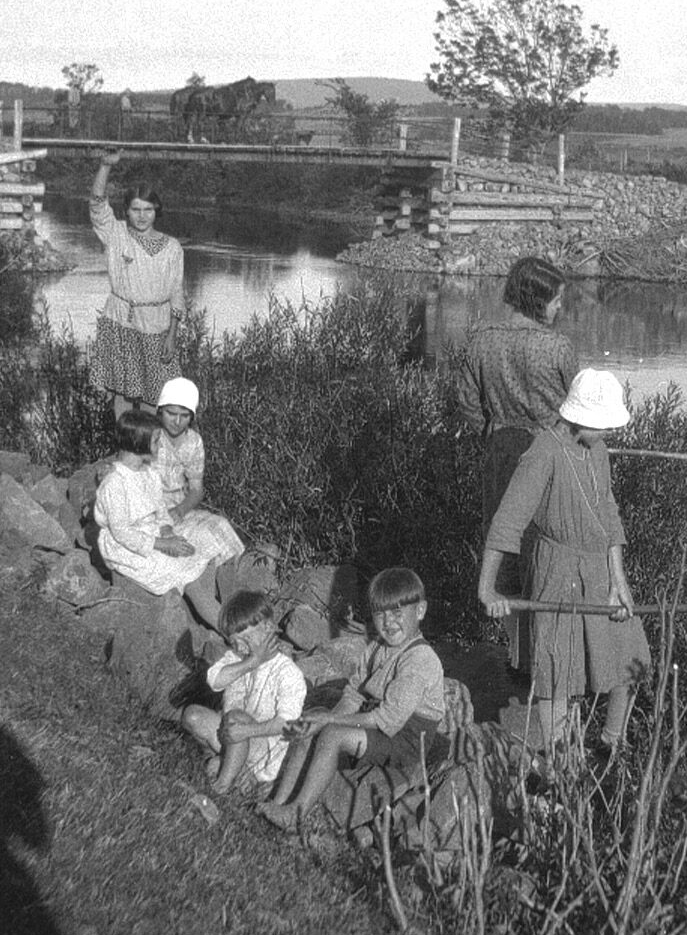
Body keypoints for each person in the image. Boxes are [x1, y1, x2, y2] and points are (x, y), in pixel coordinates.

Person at [478, 368, 650, 759]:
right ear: (580, 417)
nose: (608, 432)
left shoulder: (598, 450)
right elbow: (507, 522)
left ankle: (612, 744)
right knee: (557, 670)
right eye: (602, 424)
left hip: (599, 570)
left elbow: (608, 512)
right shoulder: (542, 454)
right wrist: (487, 590)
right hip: (557, 571)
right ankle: (561, 760)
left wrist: (617, 580)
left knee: (631, 654)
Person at [456, 256, 579, 676]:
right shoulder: (558, 347)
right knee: (549, 552)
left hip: (501, 452)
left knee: (505, 547)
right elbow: (577, 411)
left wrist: (493, 432)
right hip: (550, 456)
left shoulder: (481, 339)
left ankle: (516, 656)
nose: (560, 308)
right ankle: (546, 659)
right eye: (557, 300)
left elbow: (468, 403)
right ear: (538, 299)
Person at [258, 567, 447, 830]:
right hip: (379, 724)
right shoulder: (377, 647)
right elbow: (353, 693)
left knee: (332, 734)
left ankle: (296, 814)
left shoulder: (420, 660)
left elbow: (388, 720)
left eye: (397, 613)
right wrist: (325, 717)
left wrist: (332, 720)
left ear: (420, 611)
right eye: (380, 614)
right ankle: (277, 800)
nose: (389, 622)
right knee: (311, 721)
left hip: (407, 740)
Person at [92, 410, 241, 632]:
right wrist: (162, 544)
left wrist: (166, 530)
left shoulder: (148, 472)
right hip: (127, 545)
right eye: (154, 440)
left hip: (151, 531)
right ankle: (232, 631)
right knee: (188, 576)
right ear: (137, 442)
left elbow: (159, 507)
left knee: (200, 549)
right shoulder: (115, 484)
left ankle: (220, 612)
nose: (159, 446)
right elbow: (122, 532)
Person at [180, 590, 307, 796]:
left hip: (262, 749)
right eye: (234, 640)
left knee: (236, 718)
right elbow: (215, 680)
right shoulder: (238, 657)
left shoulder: (288, 673)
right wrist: (252, 662)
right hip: (234, 735)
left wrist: (247, 732)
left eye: (246, 638)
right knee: (192, 715)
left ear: (267, 628)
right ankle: (234, 770)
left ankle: (221, 786)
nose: (240, 645)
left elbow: (286, 725)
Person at [88, 150, 184, 418]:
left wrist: (172, 335)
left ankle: (149, 453)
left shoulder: (173, 247)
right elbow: (97, 203)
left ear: (157, 211)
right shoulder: (115, 233)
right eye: (136, 209)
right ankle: (126, 451)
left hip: (157, 325)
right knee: (122, 392)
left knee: (155, 394)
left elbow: (177, 292)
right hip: (120, 321)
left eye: (148, 210)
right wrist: (105, 166)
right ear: (127, 212)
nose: (142, 216)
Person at [150, 376, 244, 562]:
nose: (177, 421)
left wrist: (180, 510)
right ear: (160, 411)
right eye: (171, 413)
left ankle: (231, 576)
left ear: (192, 416)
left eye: (184, 416)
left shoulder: (194, 441)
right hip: (149, 505)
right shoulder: (150, 434)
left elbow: (196, 489)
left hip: (178, 506)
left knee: (220, 526)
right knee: (178, 543)